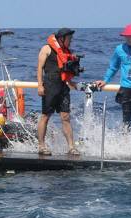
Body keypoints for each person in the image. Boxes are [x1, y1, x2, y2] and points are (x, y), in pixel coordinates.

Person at [96, 24, 131, 136]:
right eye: (126, 36)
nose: (128, 38)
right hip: (126, 87)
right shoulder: (119, 49)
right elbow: (113, 67)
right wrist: (105, 80)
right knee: (126, 119)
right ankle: (126, 144)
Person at [37, 28, 80, 156]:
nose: (71, 41)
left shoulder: (68, 52)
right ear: (62, 38)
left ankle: (71, 147)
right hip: (50, 85)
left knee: (65, 117)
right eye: (69, 39)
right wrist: (40, 86)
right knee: (45, 116)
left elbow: (66, 72)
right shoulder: (46, 49)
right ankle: (41, 146)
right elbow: (39, 68)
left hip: (63, 87)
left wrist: (71, 82)